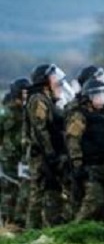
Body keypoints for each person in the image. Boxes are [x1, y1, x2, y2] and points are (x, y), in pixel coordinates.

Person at [24, 64, 73, 228]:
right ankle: (33, 229)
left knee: (45, 190)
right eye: (53, 77)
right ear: (44, 80)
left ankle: (41, 226)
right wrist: (50, 155)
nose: (56, 80)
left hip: (46, 152)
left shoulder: (47, 98)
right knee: (39, 191)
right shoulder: (38, 99)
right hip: (41, 155)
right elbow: (40, 129)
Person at [64, 79, 104, 222]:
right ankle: (76, 228)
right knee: (95, 199)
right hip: (88, 166)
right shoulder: (79, 116)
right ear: (88, 98)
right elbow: (73, 139)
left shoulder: (99, 116)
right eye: (98, 96)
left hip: (100, 165)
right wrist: (77, 163)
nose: (102, 99)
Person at [0, 78, 31, 226]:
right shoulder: (6, 114)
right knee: (9, 190)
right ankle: (7, 221)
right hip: (9, 158)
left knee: (24, 189)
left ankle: (20, 220)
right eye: (23, 93)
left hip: (24, 157)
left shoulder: (28, 112)